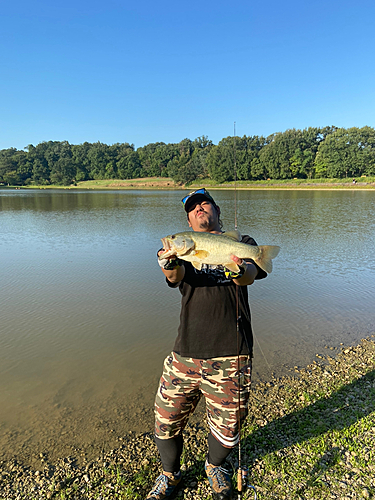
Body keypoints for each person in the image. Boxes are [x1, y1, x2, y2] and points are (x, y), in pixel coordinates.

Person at [147, 188, 267, 500]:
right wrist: (167, 262)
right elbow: (175, 276)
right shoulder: (185, 251)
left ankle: (215, 466)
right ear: (188, 220)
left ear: (216, 210)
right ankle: (169, 475)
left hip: (233, 351)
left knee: (228, 427)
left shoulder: (244, 243)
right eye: (193, 208)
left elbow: (250, 275)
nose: (200, 208)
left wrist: (240, 266)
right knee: (165, 419)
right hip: (185, 352)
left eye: (205, 203)